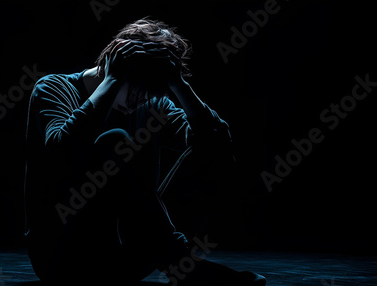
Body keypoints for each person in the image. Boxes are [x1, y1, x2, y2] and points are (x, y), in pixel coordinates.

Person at [24, 18, 266, 285]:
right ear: (113, 61)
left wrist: (179, 85)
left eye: (151, 91)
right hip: (65, 256)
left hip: (131, 256)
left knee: (212, 154)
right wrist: (113, 80)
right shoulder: (53, 88)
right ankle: (180, 262)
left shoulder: (152, 102)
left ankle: (172, 257)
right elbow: (61, 152)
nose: (141, 99)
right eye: (138, 87)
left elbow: (218, 146)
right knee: (115, 141)